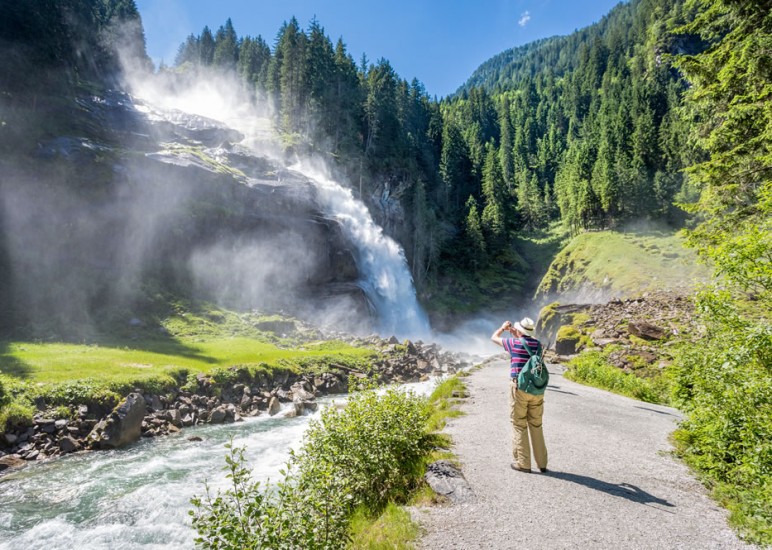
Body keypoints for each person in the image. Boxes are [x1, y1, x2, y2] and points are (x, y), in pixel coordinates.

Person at [491, 317, 548, 473]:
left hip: (519, 389)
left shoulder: (513, 344)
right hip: (537, 390)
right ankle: (542, 463)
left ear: (520, 331)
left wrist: (503, 328)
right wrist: (518, 333)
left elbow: (494, 338)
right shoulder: (538, 345)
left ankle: (523, 463)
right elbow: (528, 342)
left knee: (519, 424)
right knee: (536, 425)